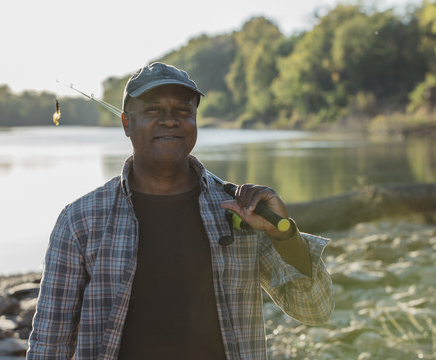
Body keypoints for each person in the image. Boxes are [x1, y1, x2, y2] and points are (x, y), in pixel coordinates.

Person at [27, 62, 333, 360]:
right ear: (126, 123)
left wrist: (284, 233)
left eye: (183, 112)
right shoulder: (80, 220)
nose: (171, 121)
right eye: (153, 111)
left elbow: (314, 310)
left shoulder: (242, 212)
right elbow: (48, 344)